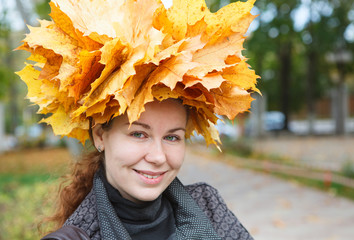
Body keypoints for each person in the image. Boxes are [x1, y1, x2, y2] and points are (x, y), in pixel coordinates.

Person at [16, 0, 259, 239]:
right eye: (139, 134)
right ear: (100, 135)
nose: (158, 157)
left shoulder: (208, 208)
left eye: (173, 137)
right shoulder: (78, 236)